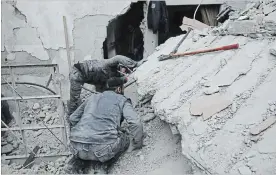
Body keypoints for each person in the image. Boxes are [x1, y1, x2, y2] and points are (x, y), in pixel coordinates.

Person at [66, 78, 143, 174]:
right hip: (102, 150)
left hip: (76, 147)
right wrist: (137, 144)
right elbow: (135, 122)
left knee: (85, 147)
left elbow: (73, 118)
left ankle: (76, 164)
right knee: (125, 138)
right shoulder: (122, 100)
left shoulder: (92, 97)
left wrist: (82, 132)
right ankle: (103, 166)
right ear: (119, 89)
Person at [68, 55, 138, 116]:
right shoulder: (108, 64)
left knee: (101, 97)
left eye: (126, 71)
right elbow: (118, 58)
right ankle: (71, 119)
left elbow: (110, 87)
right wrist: (135, 64)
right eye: (124, 69)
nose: (124, 71)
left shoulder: (112, 77)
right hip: (78, 72)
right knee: (75, 100)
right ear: (120, 66)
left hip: (92, 77)